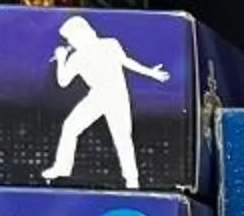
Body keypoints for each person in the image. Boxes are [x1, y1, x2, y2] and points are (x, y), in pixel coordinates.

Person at [42, 16, 169, 187]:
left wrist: (150, 73)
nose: (70, 41)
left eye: (71, 37)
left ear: (83, 32)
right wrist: (62, 59)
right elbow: (63, 81)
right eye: (69, 39)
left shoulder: (110, 44)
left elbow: (126, 61)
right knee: (71, 126)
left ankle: (132, 179)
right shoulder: (77, 57)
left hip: (116, 94)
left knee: (122, 137)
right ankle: (62, 167)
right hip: (97, 95)